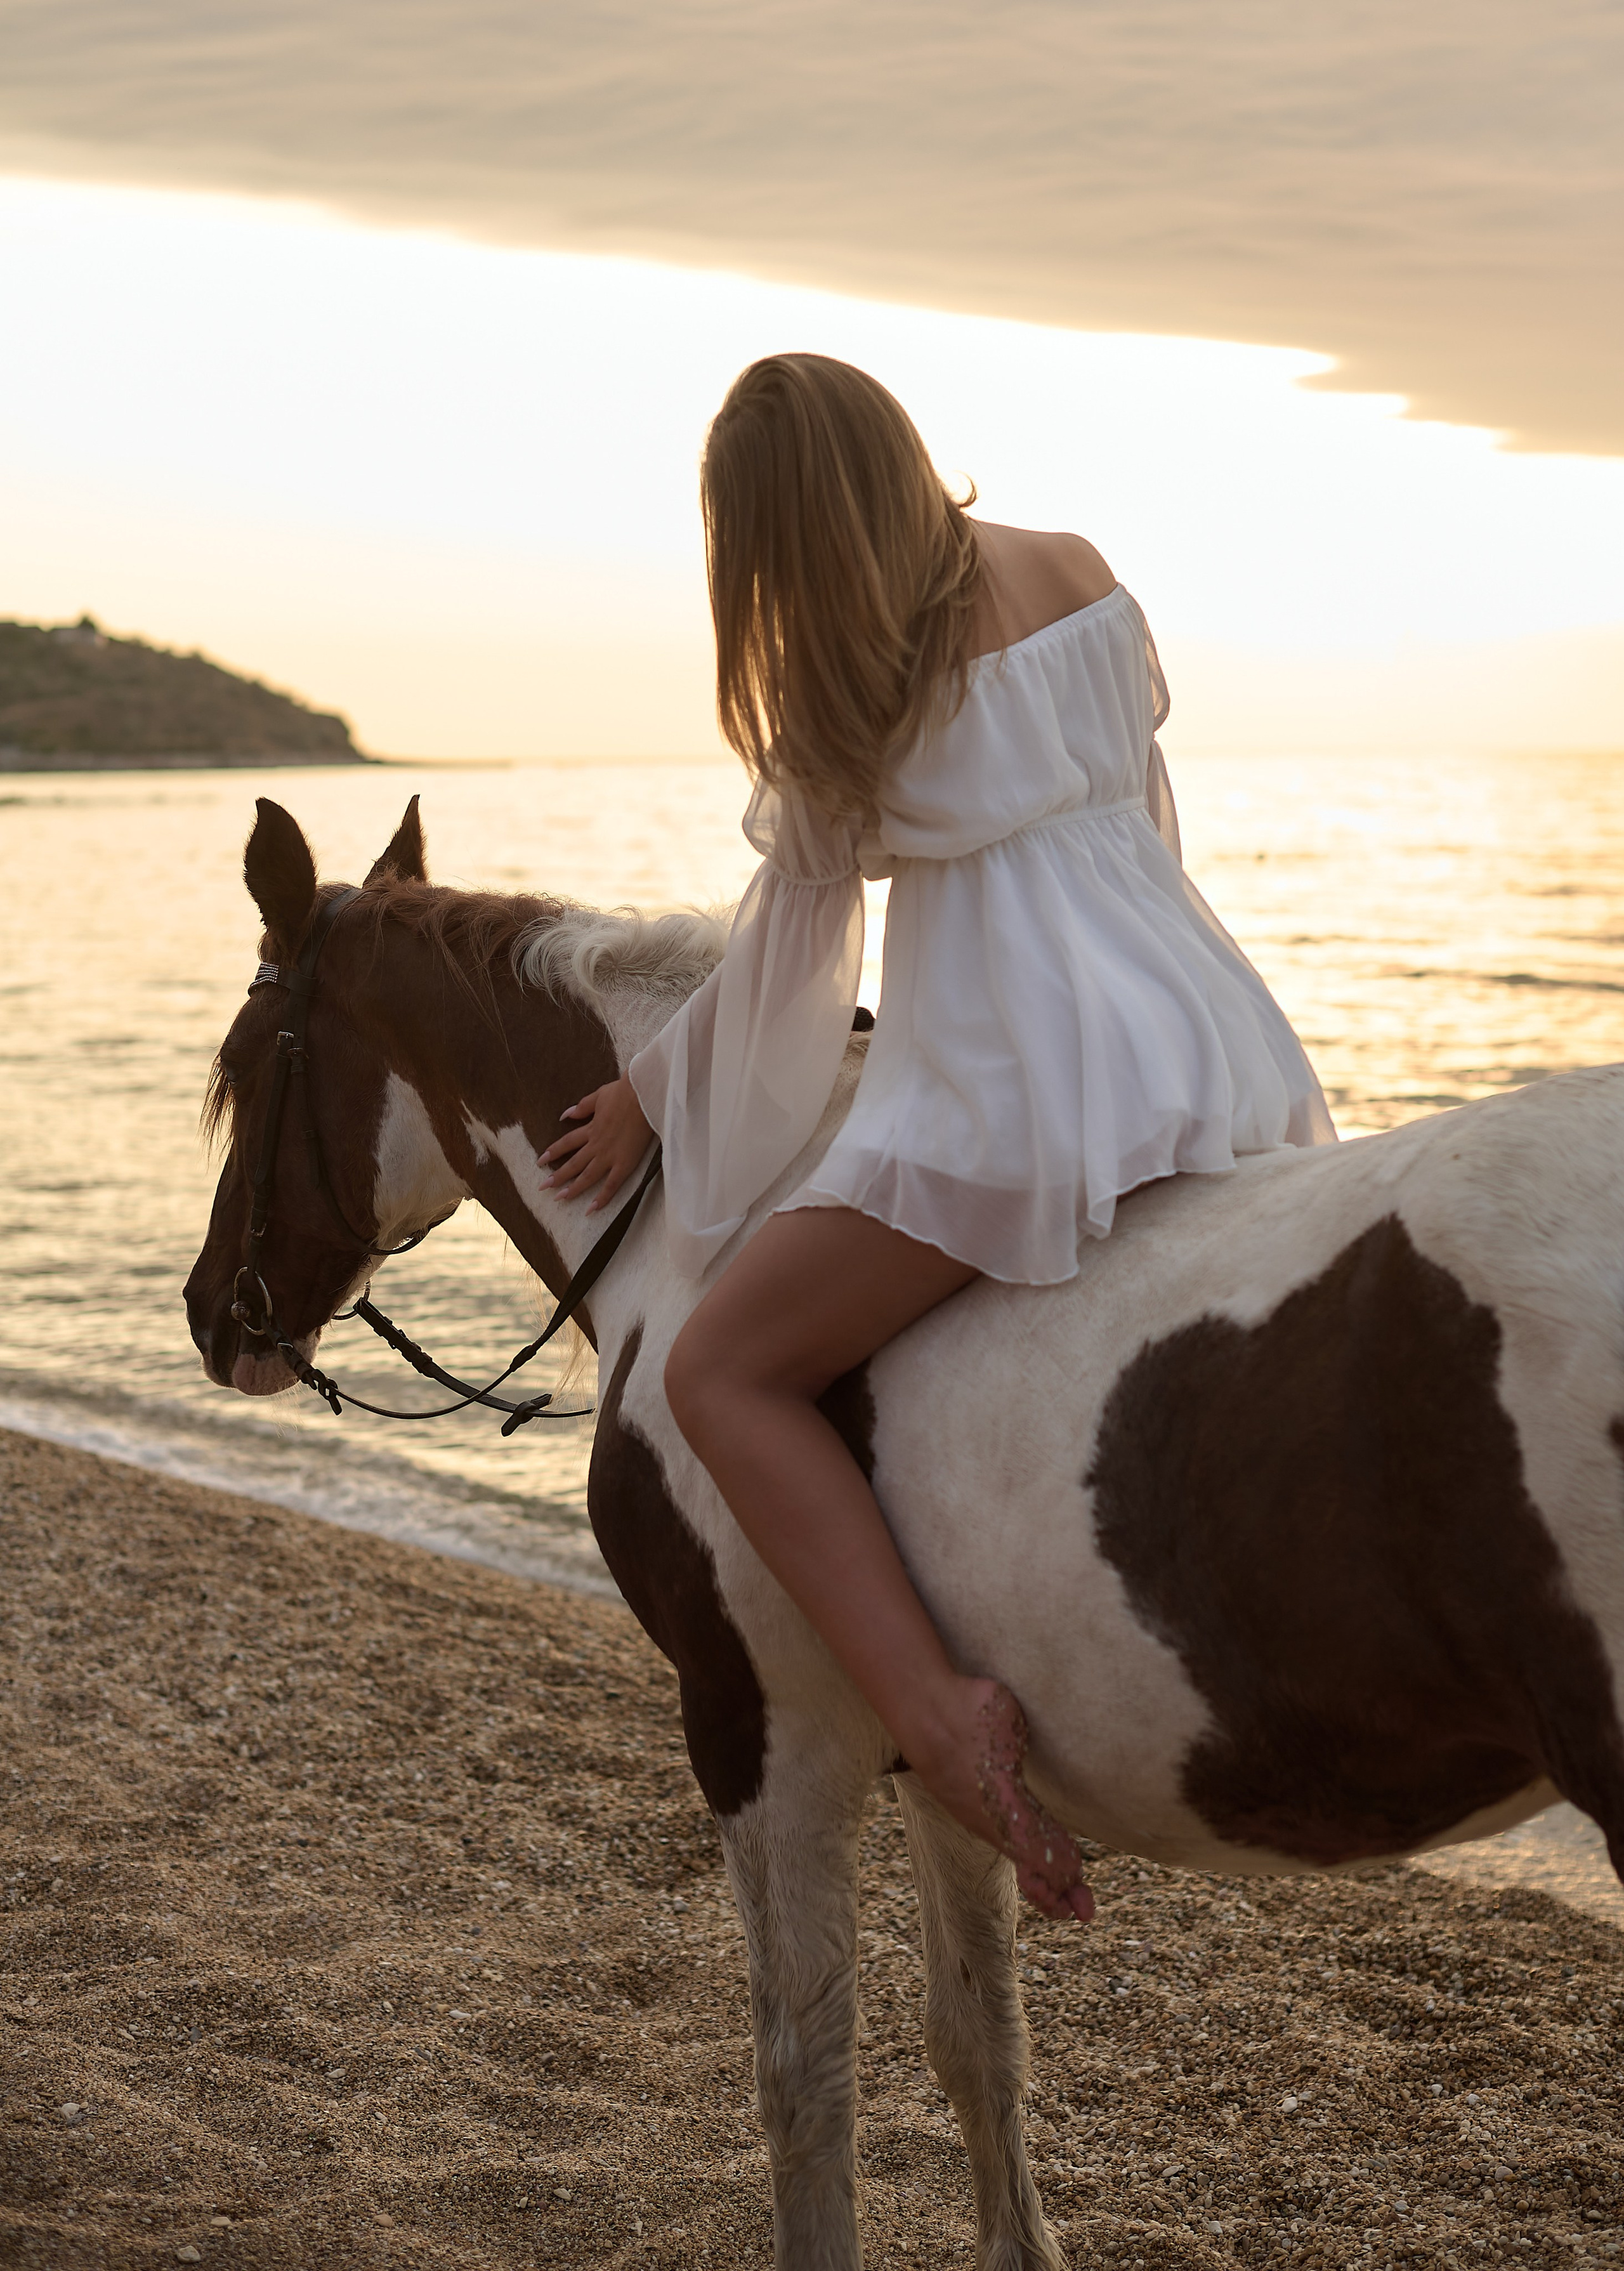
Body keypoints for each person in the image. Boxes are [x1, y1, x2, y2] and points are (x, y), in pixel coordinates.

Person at [540, 353, 1334, 1921]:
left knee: (720, 1370)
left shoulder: (845, 686)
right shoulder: (1081, 574)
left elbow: (786, 968)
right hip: (1201, 1023)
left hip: (1012, 1085)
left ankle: (927, 1707)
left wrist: (656, 1096)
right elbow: (1144, 816)